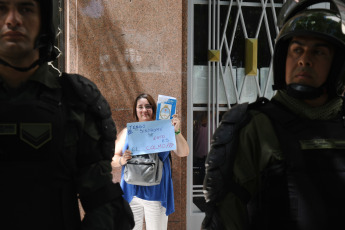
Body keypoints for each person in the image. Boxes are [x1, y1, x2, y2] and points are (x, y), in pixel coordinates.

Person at [202, 0, 345, 230]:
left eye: (318, 52)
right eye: (297, 50)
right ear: (282, 59)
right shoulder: (255, 127)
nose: (304, 60)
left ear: (338, 65)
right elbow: (227, 218)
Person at [0, 1, 134, 229]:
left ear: (44, 21)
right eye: (1, 8)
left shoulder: (75, 100)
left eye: (25, 8)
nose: (12, 19)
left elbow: (102, 201)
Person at [112, 93, 189, 230]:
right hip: (131, 193)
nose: (144, 110)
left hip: (156, 193)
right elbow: (112, 158)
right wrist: (121, 160)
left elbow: (184, 153)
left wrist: (176, 132)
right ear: (135, 110)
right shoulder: (127, 132)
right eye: (140, 107)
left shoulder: (165, 131)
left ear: (154, 109)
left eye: (148, 106)